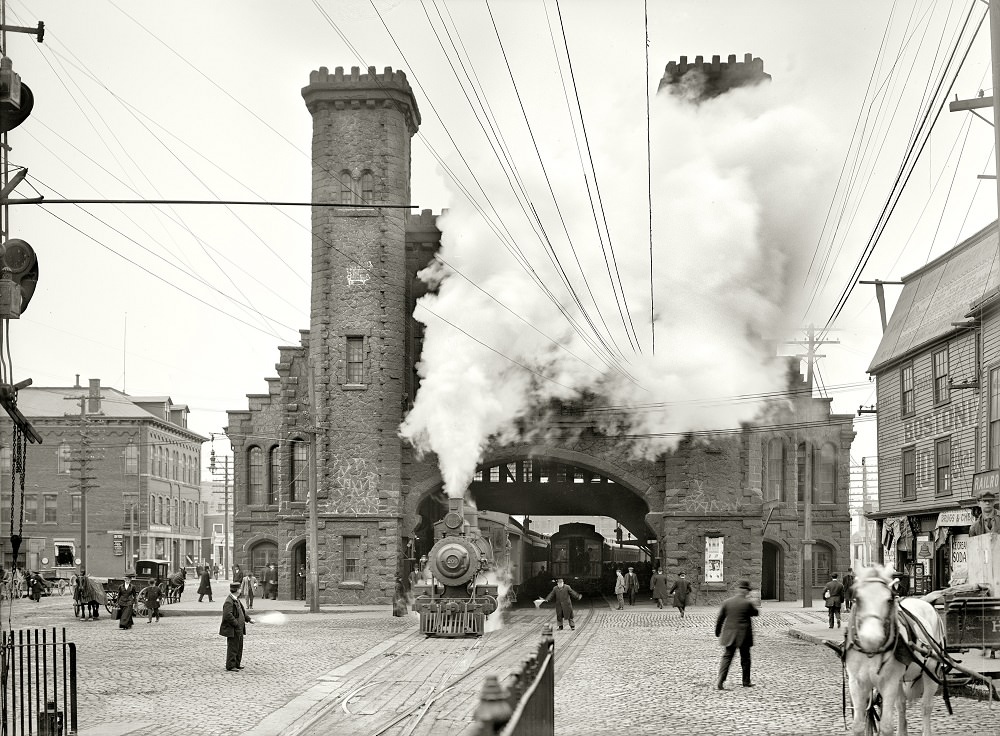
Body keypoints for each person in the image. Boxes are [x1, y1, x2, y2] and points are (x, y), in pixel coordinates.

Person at [715, 579, 759, 690]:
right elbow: (755, 613)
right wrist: (752, 601)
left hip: (729, 634)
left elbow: (720, 618)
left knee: (727, 656)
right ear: (746, 591)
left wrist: (718, 631)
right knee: (745, 658)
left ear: (738, 590)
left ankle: (721, 679)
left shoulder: (727, 602)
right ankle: (746, 681)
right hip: (743, 635)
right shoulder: (747, 603)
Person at [220, 581, 254, 671]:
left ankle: (237, 664)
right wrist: (236, 624)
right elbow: (227, 615)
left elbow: (242, 612)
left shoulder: (236, 599)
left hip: (239, 628)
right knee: (233, 647)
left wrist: (249, 619)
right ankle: (230, 665)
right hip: (233, 629)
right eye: (239, 588)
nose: (240, 590)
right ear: (236, 590)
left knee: (239, 647)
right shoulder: (229, 601)